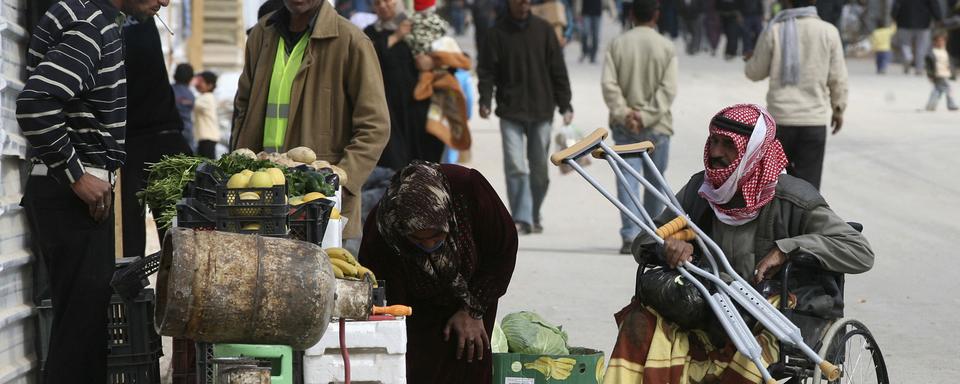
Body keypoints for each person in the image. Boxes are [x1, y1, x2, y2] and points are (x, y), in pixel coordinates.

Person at [603, 104, 874, 383]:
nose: (716, 153)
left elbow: (860, 251)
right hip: (709, 311)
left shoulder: (793, 199)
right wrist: (666, 245)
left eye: (728, 145)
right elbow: (645, 239)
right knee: (639, 324)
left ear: (753, 150)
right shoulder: (701, 190)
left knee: (753, 352)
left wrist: (787, 249)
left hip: (774, 318)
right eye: (714, 142)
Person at [17, 1, 169, 382]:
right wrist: (76, 176)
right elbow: (35, 104)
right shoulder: (89, 24)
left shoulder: (94, 19)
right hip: (70, 197)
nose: (165, 1)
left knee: (81, 334)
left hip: (72, 195)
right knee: (79, 341)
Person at [231, 0, 390, 245]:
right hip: (260, 201)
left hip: (321, 208)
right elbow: (242, 109)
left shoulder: (351, 41)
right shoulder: (262, 34)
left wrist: (341, 183)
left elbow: (375, 126)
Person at [358, 162, 518, 384]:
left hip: (474, 296)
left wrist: (472, 310)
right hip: (416, 312)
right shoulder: (384, 229)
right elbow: (383, 292)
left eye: (437, 237)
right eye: (417, 240)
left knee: (471, 365)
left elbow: (502, 250)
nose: (429, 246)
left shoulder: (469, 188)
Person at [478, 0, 574, 235]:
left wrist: (565, 104)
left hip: (542, 109)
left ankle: (533, 212)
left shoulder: (544, 30)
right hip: (510, 110)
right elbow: (487, 71)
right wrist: (485, 99)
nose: (523, 5)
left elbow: (557, 69)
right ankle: (521, 217)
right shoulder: (496, 33)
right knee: (515, 166)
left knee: (539, 168)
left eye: (527, 1)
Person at [745, 0, 847, 190]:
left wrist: (751, 60)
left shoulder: (774, 29)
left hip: (780, 121)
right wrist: (838, 109)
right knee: (808, 190)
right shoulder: (829, 32)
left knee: (774, 187)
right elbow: (838, 77)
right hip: (813, 123)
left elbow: (755, 72)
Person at [601, 0, 678, 254]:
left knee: (627, 181)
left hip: (625, 127)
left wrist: (626, 114)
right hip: (657, 126)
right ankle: (652, 233)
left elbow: (609, 85)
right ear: (656, 15)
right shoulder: (666, 47)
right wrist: (645, 116)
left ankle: (629, 234)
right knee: (655, 182)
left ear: (631, 14)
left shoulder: (618, 44)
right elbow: (668, 90)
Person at [120, 17, 193, 259]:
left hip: (149, 141)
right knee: (175, 236)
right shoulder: (112, 18)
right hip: (147, 141)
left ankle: (137, 286)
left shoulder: (131, 19)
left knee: (173, 235)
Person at [361, 0, 434, 220]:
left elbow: (437, 52)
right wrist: (396, 36)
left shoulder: (414, 27)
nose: (384, 6)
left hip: (415, 107)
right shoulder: (370, 33)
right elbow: (373, 58)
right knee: (395, 161)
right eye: (378, 3)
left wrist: (428, 61)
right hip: (387, 107)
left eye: (389, 1)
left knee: (421, 157)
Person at [891, 0, 943, 75]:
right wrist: (938, 18)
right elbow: (934, 5)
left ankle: (907, 57)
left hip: (903, 21)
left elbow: (896, 5)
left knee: (905, 43)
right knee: (922, 46)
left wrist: (894, 16)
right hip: (923, 23)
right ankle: (919, 68)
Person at [925, 32, 958, 111]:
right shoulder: (932, 53)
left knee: (938, 90)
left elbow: (949, 63)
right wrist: (930, 75)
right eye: (939, 41)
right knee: (948, 89)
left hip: (945, 74)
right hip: (938, 75)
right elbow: (929, 66)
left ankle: (931, 105)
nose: (941, 43)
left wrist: (953, 74)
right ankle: (951, 104)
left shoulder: (944, 52)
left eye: (943, 41)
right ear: (934, 42)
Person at [194, 71, 221, 159]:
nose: (197, 84)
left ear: (210, 85)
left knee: (207, 163)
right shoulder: (204, 97)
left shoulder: (207, 97)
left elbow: (193, 104)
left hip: (207, 137)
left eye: (201, 81)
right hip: (205, 137)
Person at [172, 64, 196, 152]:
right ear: (190, 77)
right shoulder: (191, 95)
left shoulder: (170, 90)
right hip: (187, 131)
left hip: (172, 132)